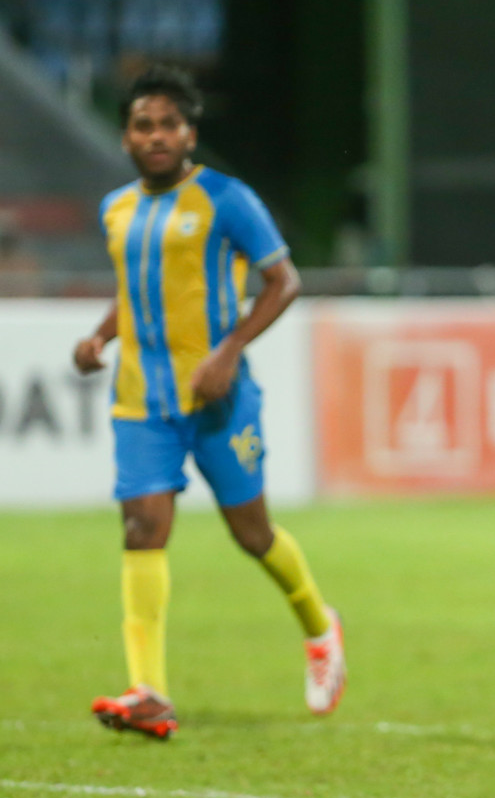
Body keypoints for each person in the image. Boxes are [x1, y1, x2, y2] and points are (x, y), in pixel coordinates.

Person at [74, 66, 345, 740]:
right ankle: (149, 691)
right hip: (141, 401)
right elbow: (138, 289)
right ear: (128, 136)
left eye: (169, 124)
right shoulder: (117, 208)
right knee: (142, 528)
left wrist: (228, 351)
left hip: (220, 401)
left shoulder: (226, 199)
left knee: (252, 534)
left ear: (190, 133)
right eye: (144, 125)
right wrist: (100, 335)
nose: (157, 135)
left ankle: (319, 627)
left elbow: (283, 281)